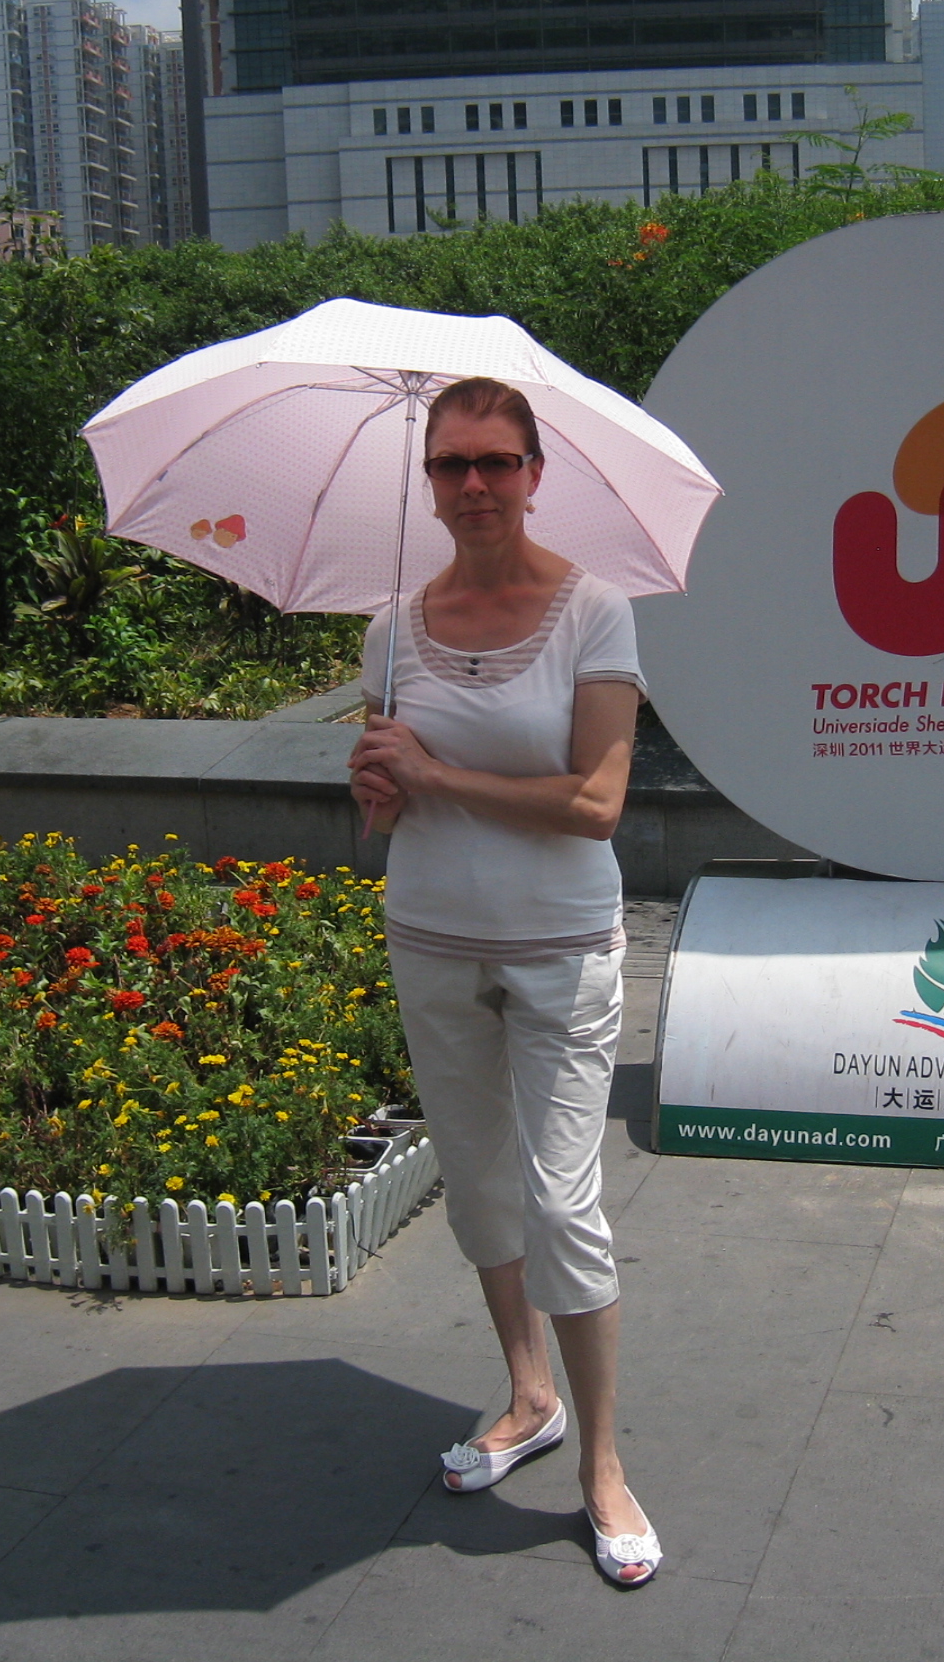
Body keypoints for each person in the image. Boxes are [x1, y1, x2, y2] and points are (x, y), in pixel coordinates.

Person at [346, 375, 660, 1589]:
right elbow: (387, 813)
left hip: (561, 952)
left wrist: (436, 775)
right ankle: (529, 1397)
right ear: (427, 483)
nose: (473, 484)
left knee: (562, 1202)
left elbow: (597, 803)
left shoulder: (594, 613)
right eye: (450, 465)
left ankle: (604, 1466)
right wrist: (379, 787)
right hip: (430, 937)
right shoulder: (391, 630)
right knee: (476, 1185)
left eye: (495, 462)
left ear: (534, 475)